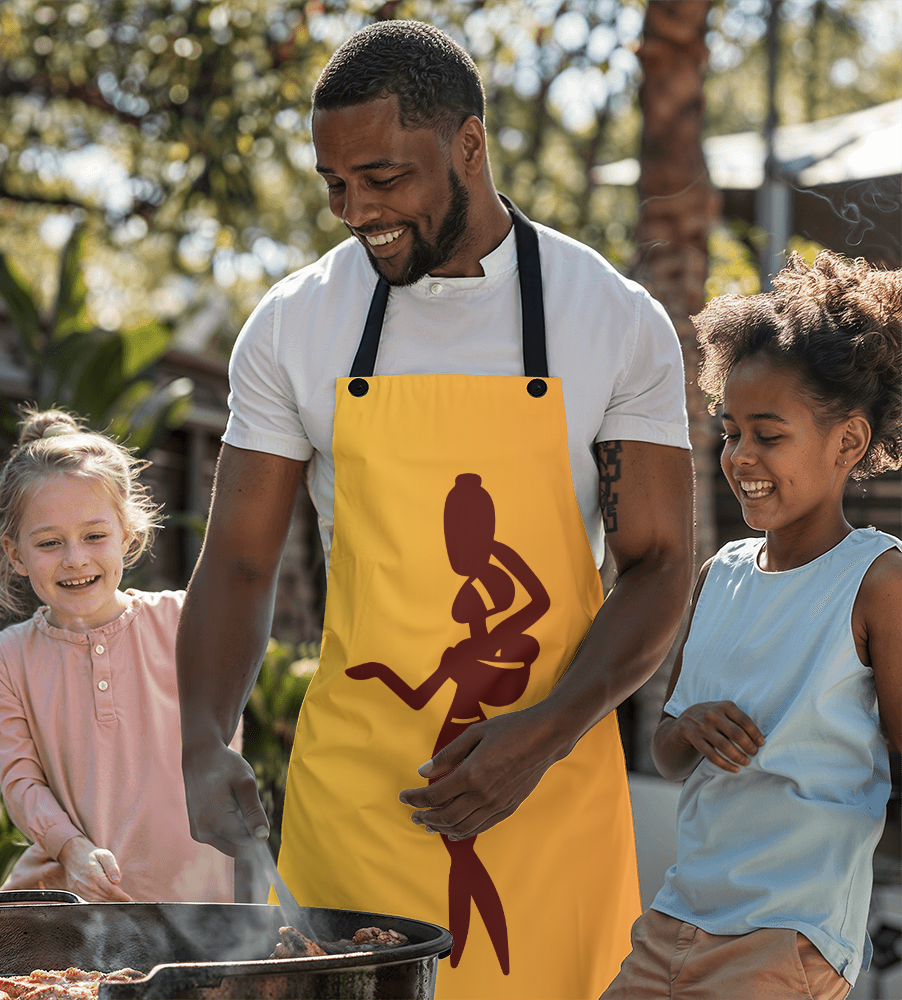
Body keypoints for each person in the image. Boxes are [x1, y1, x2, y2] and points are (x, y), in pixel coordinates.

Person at [178, 19, 695, 999]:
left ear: (468, 144)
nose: (354, 210)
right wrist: (204, 735)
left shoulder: (611, 317)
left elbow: (662, 561)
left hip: (551, 794)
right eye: (336, 185)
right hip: (361, 803)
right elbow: (239, 562)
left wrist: (543, 734)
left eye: (383, 179)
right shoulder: (294, 325)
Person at [599, 251, 902, 1000]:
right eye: (730, 432)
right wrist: (692, 726)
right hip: (674, 920)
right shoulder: (719, 575)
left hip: (786, 937)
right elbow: (669, 757)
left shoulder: (877, 582)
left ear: (848, 444)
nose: (740, 457)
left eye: (768, 434)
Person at [0, 407, 238, 903]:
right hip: (67, 911)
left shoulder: (187, 623)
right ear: (15, 554)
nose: (75, 558)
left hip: (197, 913)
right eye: (50, 543)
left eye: (95, 536)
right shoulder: (3, 662)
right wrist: (71, 852)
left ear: (128, 536)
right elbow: (22, 783)